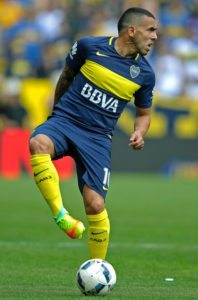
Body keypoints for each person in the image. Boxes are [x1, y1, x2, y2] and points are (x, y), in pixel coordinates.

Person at [29, 7, 158, 260]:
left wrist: (139, 132)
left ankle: (97, 266)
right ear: (131, 31)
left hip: (98, 138)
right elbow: (66, 76)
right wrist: (56, 112)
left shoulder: (145, 74)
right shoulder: (89, 47)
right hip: (66, 121)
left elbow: (143, 113)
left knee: (95, 205)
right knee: (38, 142)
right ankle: (61, 215)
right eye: (150, 30)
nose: (155, 37)